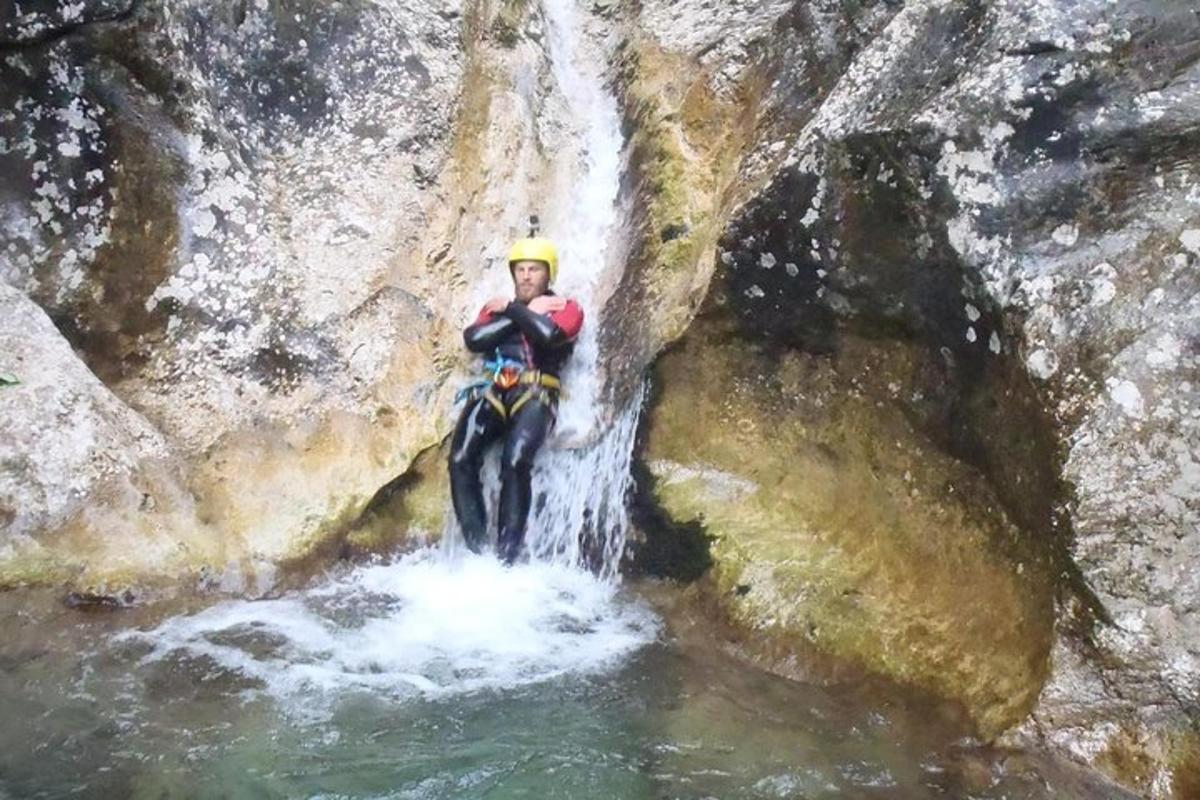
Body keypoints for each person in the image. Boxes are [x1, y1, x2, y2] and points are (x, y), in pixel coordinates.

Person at [449, 237, 584, 563]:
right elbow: (475, 339)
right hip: (494, 390)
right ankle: (477, 552)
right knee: (460, 459)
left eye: (534, 270)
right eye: (520, 269)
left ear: (547, 275)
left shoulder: (566, 307)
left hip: (537, 393)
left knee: (515, 460)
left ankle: (507, 559)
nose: (525, 276)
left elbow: (550, 336)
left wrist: (511, 311)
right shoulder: (496, 308)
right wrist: (518, 311)